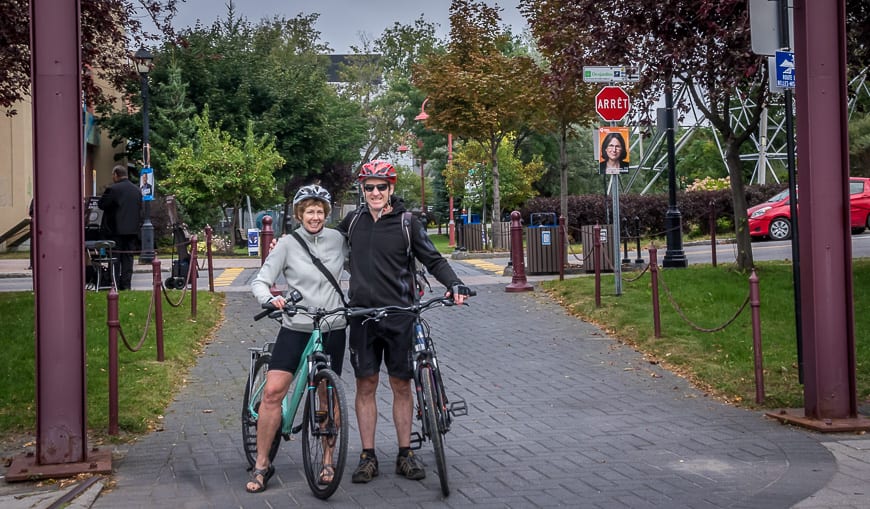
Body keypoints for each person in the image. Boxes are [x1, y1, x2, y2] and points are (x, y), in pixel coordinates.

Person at [337, 159, 472, 484]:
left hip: (401, 316)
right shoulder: (352, 222)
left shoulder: (406, 223)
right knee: (365, 385)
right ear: (363, 189)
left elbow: (434, 259)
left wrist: (454, 284)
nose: (374, 192)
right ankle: (367, 456)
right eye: (368, 187)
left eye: (381, 187)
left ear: (391, 188)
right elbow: (321, 247)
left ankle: (404, 453)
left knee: (401, 384)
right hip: (362, 317)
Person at [246, 184, 349, 494]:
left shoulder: (339, 240)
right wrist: (270, 299)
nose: (315, 216)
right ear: (299, 214)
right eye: (309, 211)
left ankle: (328, 459)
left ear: (326, 214)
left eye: (320, 211)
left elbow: (367, 259)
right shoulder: (287, 244)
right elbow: (261, 280)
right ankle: (262, 463)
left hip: (333, 325)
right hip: (296, 325)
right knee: (274, 392)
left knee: (327, 395)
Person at [98, 165, 141, 290]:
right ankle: (126, 285)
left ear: (116, 174)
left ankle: (114, 284)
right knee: (128, 258)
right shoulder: (136, 190)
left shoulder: (113, 189)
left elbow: (102, 204)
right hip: (132, 231)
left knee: (115, 258)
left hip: (115, 230)